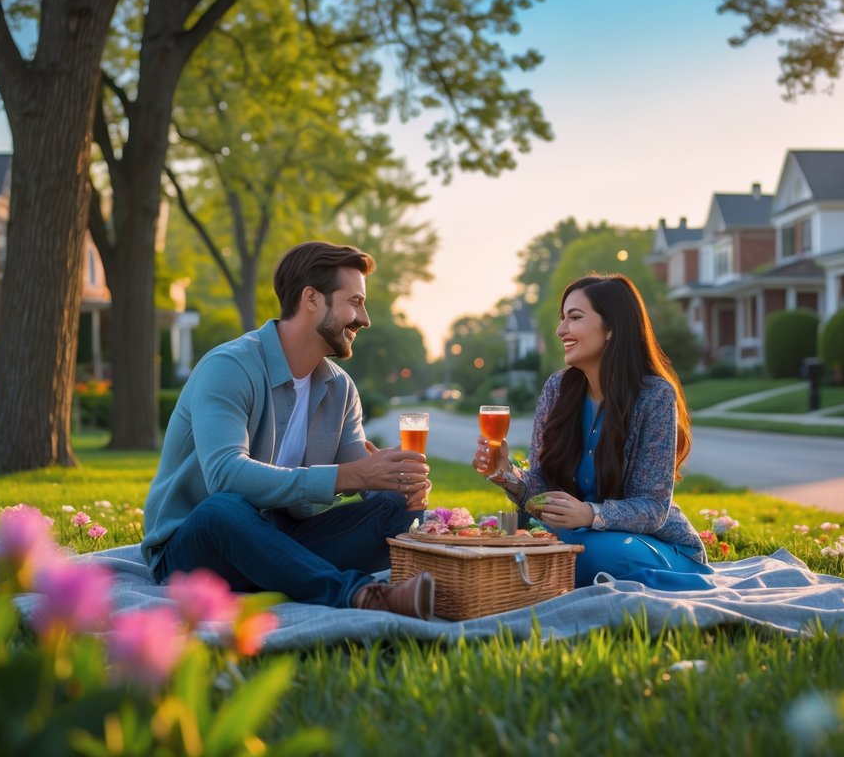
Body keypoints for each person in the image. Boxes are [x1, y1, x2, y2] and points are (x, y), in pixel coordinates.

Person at [142, 241, 436, 619]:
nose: (364, 319)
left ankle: (286, 573)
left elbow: (360, 474)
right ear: (311, 299)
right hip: (197, 548)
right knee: (223, 508)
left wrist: (398, 481)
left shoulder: (340, 388)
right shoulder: (229, 367)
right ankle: (359, 594)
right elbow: (225, 475)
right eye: (355, 302)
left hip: (282, 538)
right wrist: (348, 475)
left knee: (395, 508)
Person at [473, 273, 712, 589]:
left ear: (611, 328)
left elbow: (652, 508)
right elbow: (542, 487)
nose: (561, 330)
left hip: (650, 544)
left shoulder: (654, 396)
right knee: (517, 540)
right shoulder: (557, 389)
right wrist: (506, 473)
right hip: (576, 536)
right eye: (562, 319)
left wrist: (589, 514)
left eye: (574, 318)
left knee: (585, 554)